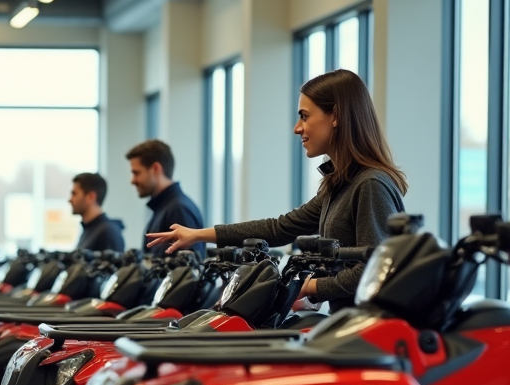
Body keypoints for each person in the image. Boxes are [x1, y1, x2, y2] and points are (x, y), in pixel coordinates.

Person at [147, 69, 407, 310]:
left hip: (372, 339)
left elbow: (375, 269)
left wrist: (306, 287)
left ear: (336, 116)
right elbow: (280, 228)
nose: (297, 128)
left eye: (304, 116)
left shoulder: (370, 184)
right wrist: (198, 235)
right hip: (348, 326)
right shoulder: (339, 186)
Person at [127, 139, 205, 257]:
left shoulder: (179, 209)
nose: (132, 181)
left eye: (136, 173)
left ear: (155, 168)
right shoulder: (165, 208)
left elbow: (188, 271)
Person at [69, 172, 125, 252]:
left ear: (90, 197)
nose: (70, 200)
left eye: (74, 194)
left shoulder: (108, 232)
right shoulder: (90, 230)